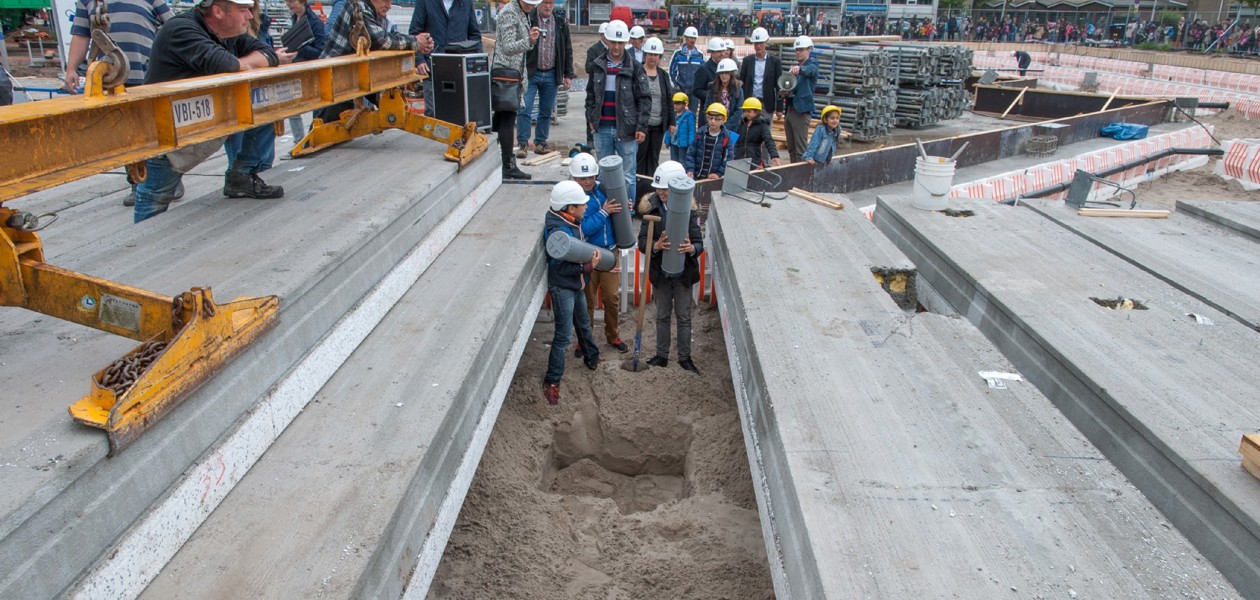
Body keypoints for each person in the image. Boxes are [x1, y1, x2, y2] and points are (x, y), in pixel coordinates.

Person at [132, 0, 294, 223]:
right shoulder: (181, 29)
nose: (249, 16)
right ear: (218, 11)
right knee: (154, 197)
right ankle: (141, 250)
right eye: (243, 10)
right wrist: (245, 64)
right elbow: (227, 66)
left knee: (265, 102)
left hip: (200, 124)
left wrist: (243, 64)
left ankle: (242, 175)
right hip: (168, 133)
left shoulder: (227, 34)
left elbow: (268, 54)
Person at [637, 161, 702, 375]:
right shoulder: (652, 208)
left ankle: (685, 357)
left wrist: (691, 248)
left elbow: (699, 242)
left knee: (684, 316)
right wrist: (655, 246)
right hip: (660, 273)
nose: (662, 193)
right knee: (662, 315)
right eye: (659, 188)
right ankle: (662, 355)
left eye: (666, 189)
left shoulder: (690, 211)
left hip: (683, 274)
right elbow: (641, 242)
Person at [318, 0, 430, 123]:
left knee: (337, 132)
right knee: (323, 130)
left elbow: (390, 36)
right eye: (385, 1)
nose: (389, 6)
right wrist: (415, 42)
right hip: (332, 81)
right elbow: (382, 41)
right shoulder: (357, 7)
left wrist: (419, 43)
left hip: (348, 82)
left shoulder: (374, 12)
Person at [543, 180, 604, 405]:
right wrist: (588, 267)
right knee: (563, 336)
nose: (586, 207)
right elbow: (559, 266)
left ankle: (592, 358)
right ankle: (552, 381)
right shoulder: (559, 232)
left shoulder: (568, 221)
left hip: (575, 284)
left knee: (584, 323)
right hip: (563, 287)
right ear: (570, 208)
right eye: (582, 205)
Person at [564, 153, 628, 355]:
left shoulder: (603, 190)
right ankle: (584, 340)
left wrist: (625, 209)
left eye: (591, 177)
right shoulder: (572, 201)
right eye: (583, 178)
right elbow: (583, 229)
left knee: (611, 298)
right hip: (588, 256)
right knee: (587, 301)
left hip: (609, 253)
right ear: (574, 178)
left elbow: (615, 215)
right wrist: (604, 212)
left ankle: (613, 335)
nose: (588, 181)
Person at [586, 20, 649, 195]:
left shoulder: (635, 67)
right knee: (605, 175)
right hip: (602, 128)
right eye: (613, 42)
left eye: (620, 43)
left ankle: (626, 215)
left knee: (628, 175)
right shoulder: (597, 65)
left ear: (626, 42)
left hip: (627, 130)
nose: (616, 47)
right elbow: (590, 95)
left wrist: (641, 127)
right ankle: (606, 212)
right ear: (606, 40)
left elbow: (644, 99)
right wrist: (591, 119)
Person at [64, 0, 173, 93]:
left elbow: (175, 27)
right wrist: (71, 70)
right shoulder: (88, 2)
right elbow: (81, 36)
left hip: (146, 78)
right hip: (107, 79)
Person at [491, 0, 540, 180]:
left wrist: (530, 40)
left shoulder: (522, 12)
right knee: (507, 118)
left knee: (502, 118)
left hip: (514, 74)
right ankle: (507, 165)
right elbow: (508, 47)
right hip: (507, 74)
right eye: (529, 3)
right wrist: (529, 40)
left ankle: (499, 159)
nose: (531, 7)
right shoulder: (509, 13)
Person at [515, 0, 571, 157]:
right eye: (545, 3)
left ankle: (540, 142)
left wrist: (568, 74)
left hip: (551, 73)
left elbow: (567, 49)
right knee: (524, 108)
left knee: (546, 111)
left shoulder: (560, 23)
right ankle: (523, 144)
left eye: (551, 3)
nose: (548, 6)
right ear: (538, 4)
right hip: (531, 73)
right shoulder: (528, 19)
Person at [409, 0, 481, 115]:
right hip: (432, 67)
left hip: (458, 69)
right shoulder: (425, 2)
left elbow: (475, 36)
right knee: (434, 114)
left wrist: (478, 63)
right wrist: (419, 60)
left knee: (458, 114)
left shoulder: (466, 3)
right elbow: (414, 34)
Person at [283, 0, 327, 141]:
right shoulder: (294, 18)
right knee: (292, 108)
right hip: (297, 68)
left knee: (314, 106)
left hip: (310, 70)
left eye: (291, 1)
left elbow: (321, 51)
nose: (289, 5)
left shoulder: (315, 22)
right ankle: (301, 141)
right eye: (286, 2)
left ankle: (311, 139)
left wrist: (300, 48)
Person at [635, 36, 675, 180]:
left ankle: (651, 186)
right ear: (645, 54)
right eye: (650, 54)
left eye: (656, 55)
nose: (652, 58)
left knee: (653, 158)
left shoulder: (663, 75)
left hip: (658, 125)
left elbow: (668, 99)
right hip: (642, 126)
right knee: (640, 158)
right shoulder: (637, 72)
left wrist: (672, 122)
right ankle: (639, 186)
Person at [781, 35, 817, 163]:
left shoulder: (811, 64)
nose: (797, 52)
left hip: (801, 113)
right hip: (790, 111)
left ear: (808, 50)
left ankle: (801, 177)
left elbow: (810, 70)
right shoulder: (795, 70)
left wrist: (800, 69)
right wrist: (784, 92)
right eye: (796, 50)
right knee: (791, 148)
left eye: (801, 49)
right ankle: (793, 173)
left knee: (801, 150)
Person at [739, 27, 781, 121]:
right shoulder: (747, 61)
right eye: (756, 43)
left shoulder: (775, 62)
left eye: (761, 43)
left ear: (766, 42)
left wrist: (779, 108)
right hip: (750, 103)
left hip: (766, 104)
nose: (758, 46)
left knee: (765, 132)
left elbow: (779, 86)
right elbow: (742, 83)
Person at [684, 103, 733, 180]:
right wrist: (690, 169)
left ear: (723, 120)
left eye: (717, 119)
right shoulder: (700, 133)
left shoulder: (726, 137)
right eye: (710, 118)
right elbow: (691, 153)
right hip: (697, 175)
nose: (713, 121)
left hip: (713, 178)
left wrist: (719, 173)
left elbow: (727, 159)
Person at [731, 97, 780, 168]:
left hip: (754, 160)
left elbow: (769, 140)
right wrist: (732, 153)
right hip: (739, 159)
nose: (746, 113)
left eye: (749, 111)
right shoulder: (742, 123)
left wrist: (774, 155)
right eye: (745, 111)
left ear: (756, 112)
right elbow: (735, 140)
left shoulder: (762, 125)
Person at [668, 26, 703, 102]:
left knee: (692, 113)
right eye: (690, 38)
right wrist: (675, 86)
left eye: (694, 38)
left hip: (694, 94)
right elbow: (671, 72)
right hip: (680, 91)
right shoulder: (678, 54)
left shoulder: (700, 55)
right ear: (685, 38)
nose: (693, 40)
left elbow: (702, 74)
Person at [703, 57, 742, 124]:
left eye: (726, 73)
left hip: (731, 128)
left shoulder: (738, 89)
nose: (723, 75)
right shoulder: (712, 88)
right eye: (721, 73)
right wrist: (712, 123)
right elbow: (707, 108)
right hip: (714, 125)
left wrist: (727, 126)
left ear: (731, 74)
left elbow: (739, 111)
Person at [663, 91, 694, 163]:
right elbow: (668, 130)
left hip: (683, 143)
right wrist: (667, 141)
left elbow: (691, 131)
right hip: (673, 142)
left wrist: (691, 144)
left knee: (682, 161)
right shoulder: (672, 115)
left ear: (685, 104)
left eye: (678, 103)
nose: (676, 105)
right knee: (674, 161)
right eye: (674, 103)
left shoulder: (689, 116)